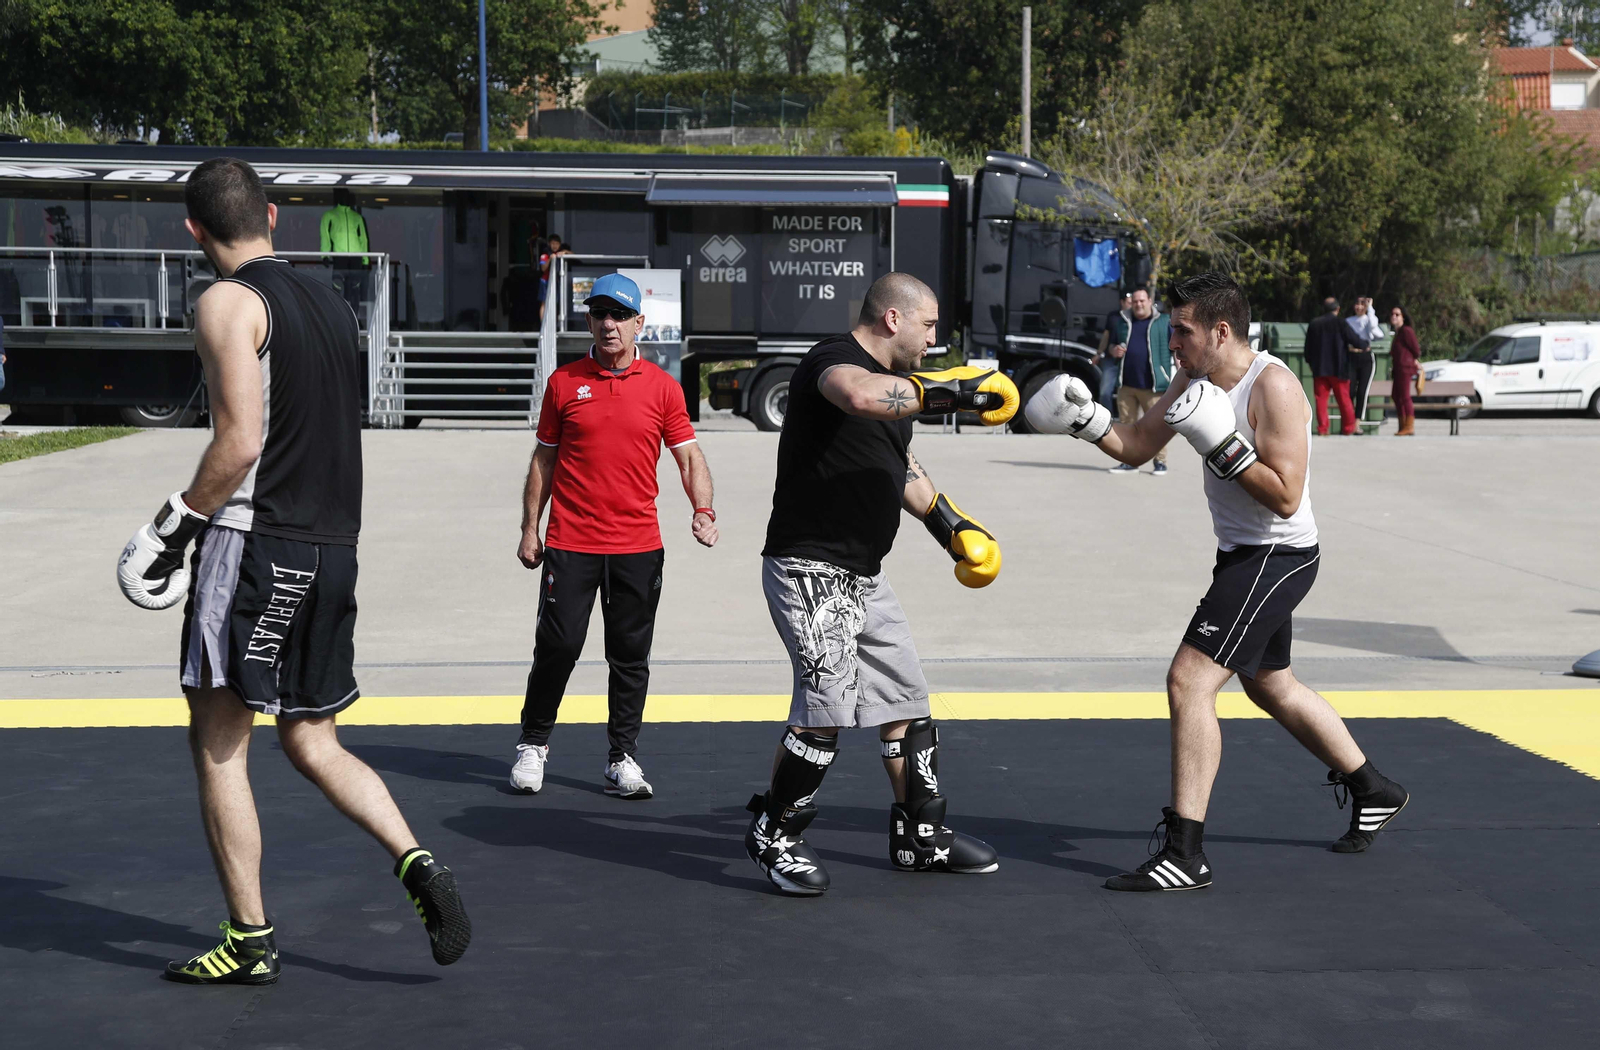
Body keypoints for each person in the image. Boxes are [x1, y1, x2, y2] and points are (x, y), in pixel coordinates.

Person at [115, 158, 469, 985]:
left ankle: (249, 940)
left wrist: (174, 526)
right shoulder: (328, 299)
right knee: (312, 738)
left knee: (220, 746)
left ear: (194, 231)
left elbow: (239, 442)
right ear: (273, 216)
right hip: (332, 547)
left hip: (253, 544)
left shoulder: (227, 301)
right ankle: (416, 862)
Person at [1024, 271, 1410, 892]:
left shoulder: (1275, 388)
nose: (1171, 343)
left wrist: (1224, 445)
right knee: (1270, 685)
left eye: (1181, 331)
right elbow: (1137, 446)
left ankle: (1186, 853)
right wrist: (1086, 421)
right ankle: (1375, 789)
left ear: (1220, 331)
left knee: (1189, 680)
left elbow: (1285, 498)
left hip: (1276, 556)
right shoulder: (1194, 379)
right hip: (1241, 553)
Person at [746, 271, 1018, 896]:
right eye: (928, 327)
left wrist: (954, 528)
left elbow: (899, 467)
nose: (933, 340)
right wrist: (959, 395)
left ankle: (921, 836)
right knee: (827, 714)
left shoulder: (896, 389)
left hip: (864, 575)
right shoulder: (832, 362)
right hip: (809, 570)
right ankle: (775, 833)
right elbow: (863, 398)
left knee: (906, 703)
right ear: (893, 319)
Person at [511, 271, 717, 800]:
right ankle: (533, 746)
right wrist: (529, 528)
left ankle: (622, 758)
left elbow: (688, 454)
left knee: (630, 656)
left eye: (620, 315)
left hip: (638, 545)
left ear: (638, 324)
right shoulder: (563, 383)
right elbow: (544, 460)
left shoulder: (663, 388)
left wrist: (703, 508)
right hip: (571, 542)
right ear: (589, 320)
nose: (609, 324)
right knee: (557, 646)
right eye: (600, 314)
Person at [1104, 288, 1174, 476]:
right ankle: (1129, 462)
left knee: (1156, 427)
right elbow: (1111, 345)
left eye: (1142, 301)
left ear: (1150, 301)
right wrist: (1113, 350)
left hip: (1153, 385)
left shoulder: (1164, 322)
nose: (1138, 304)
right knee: (1126, 425)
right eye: (1135, 301)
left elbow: (1177, 348)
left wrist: (1180, 377)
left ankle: (1160, 462)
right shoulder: (1122, 322)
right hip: (1126, 384)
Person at [1303, 297, 1369, 436]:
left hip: (1320, 369)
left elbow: (1308, 348)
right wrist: (1365, 345)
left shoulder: (1314, 324)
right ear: (1337, 309)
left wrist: (1310, 363)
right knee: (1344, 399)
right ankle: (1348, 427)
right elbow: (1354, 339)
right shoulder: (1341, 323)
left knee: (1321, 399)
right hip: (1339, 368)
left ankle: (1323, 428)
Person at [1345, 296, 1383, 422]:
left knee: (1362, 391)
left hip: (1366, 357)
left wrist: (1370, 307)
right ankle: (1348, 420)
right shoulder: (1348, 321)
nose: (1359, 307)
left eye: (1363, 304)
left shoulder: (1369, 319)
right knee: (1349, 391)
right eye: (1357, 304)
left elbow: (1373, 326)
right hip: (1351, 356)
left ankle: (1357, 422)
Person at [1095, 291, 1133, 411]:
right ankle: (1107, 418)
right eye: (1129, 303)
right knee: (1104, 392)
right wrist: (1098, 353)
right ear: (1121, 302)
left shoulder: (1136, 318)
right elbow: (1106, 336)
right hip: (1111, 360)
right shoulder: (1113, 316)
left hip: (1129, 361)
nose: (1132, 305)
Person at [1388, 306, 1420, 436]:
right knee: (1396, 396)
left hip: (1404, 368)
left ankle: (1409, 426)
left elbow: (1416, 350)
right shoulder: (1398, 332)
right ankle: (1402, 425)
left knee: (1405, 396)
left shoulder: (1406, 331)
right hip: (1398, 369)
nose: (1394, 316)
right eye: (1392, 314)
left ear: (1403, 317)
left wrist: (1413, 360)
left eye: (1397, 314)